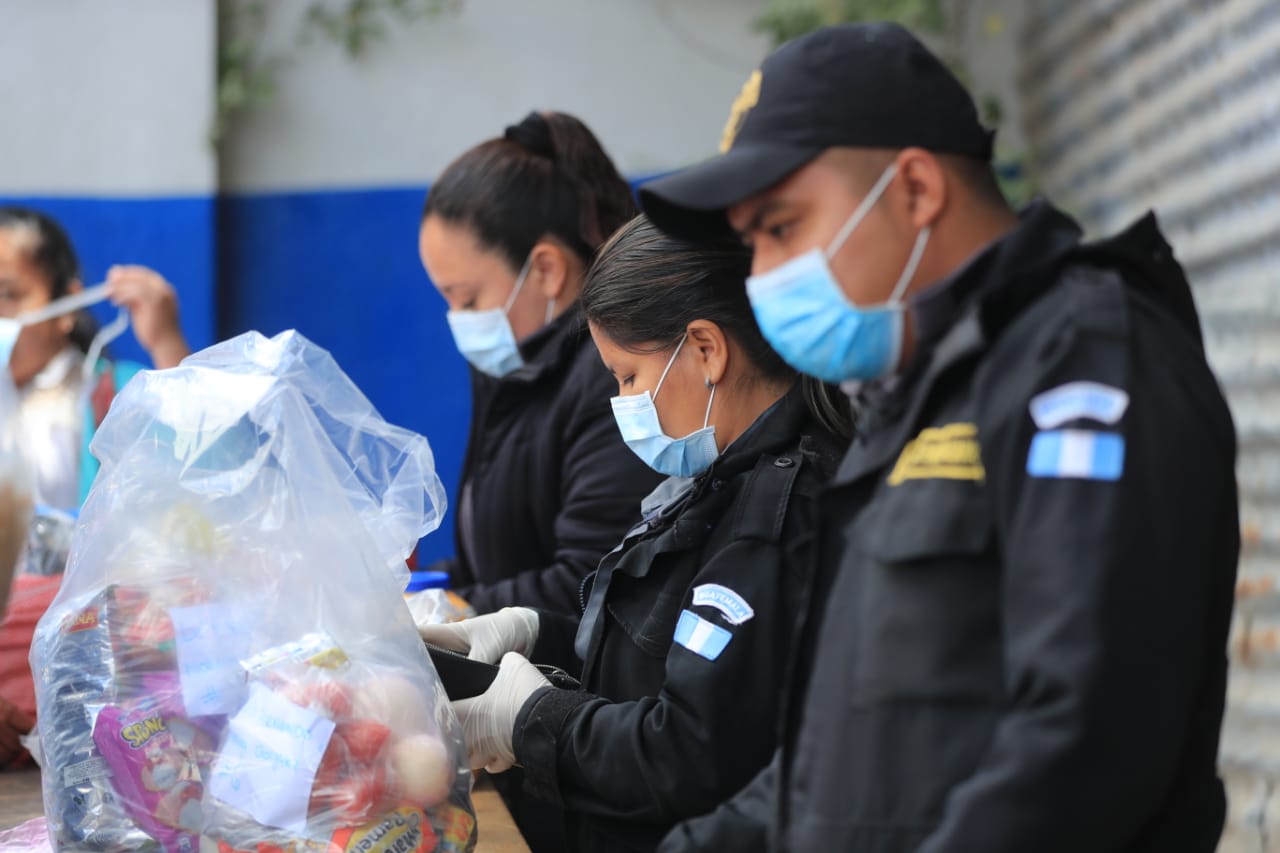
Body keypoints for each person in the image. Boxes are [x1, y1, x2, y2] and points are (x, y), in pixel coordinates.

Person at [638, 22, 1239, 853]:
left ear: (916, 189)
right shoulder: (920, 396)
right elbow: (845, 756)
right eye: (752, 245)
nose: (764, 274)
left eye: (781, 228)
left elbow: (1084, 743)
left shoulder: (1085, 363)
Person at [422, 215, 851, 853]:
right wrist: (537, 634)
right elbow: (658, 661)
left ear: (706, 350)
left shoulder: (777, 521)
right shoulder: (722, 476)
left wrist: (532, 721)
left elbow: (689, 754)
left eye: (627, 377)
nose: (622, 399)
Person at [418, 110, 664, 615]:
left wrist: (457, 607)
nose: (458, 320)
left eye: (466, 300)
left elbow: (590, 578)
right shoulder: (514, 370)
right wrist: (428, 588)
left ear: (547, 270)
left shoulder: (613, 377)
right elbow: (499, 560)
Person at [0, 205, 191, 768]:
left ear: (66, 304)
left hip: (110, 717)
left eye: (9, 293)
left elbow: (207, 471)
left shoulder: (125, 395)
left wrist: (167, 341)